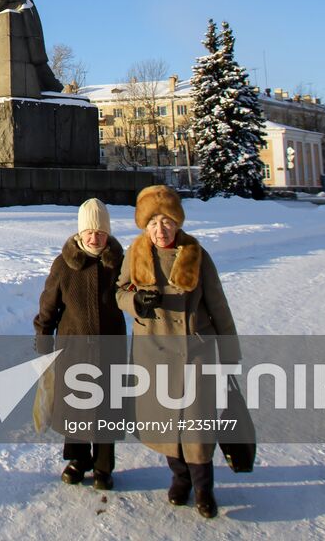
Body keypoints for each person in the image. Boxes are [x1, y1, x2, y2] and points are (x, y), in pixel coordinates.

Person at [116, 185, 240, 519]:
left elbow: (219, 306)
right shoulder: (136, 252)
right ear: (144, 225)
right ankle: (180, 478)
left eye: (166, 220)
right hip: (153, 352)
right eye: (153, 221)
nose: (160, 229)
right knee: (166, 424)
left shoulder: (196, 254)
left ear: (177, 222)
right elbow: (121, 290)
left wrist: (230, 353)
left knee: (197, 426)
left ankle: (203, 488)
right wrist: (135, 302)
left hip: (194, 350)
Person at [34, 197, 126, 490]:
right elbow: (49, 305)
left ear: (107, 232)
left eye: (100, 231)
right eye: (90, 231)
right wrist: (43, 337)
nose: (95, 236)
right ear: (80, 233)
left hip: (110, 345)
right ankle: (78, 460)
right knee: (74, 407)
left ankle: (103, 466)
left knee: (107, 408)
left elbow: (133, 297)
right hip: (73, 347)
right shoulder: (64, 264)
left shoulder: (120, 263)